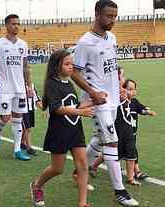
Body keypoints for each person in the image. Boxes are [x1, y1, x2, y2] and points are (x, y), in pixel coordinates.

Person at [71, 0, 138, 205]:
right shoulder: (85, 43)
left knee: (100, 139)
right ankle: (119, 190)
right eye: (109, 16)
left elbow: (112, 66)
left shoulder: (112, 38)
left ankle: (78, 172)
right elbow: (75, 72)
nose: (113, 20)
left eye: (115, 16)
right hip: (97, 101)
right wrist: (93, 93)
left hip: (113, 98)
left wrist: (119, 88)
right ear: (97, 14)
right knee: (112, 141)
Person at [30, 49, 94, 207]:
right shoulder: (52, 84)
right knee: (57, 169)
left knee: (83, 165)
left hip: (75, 130)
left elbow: (74, 105)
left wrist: (95, 101)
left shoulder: (70, 84)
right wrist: (80, 111)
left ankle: (83, 203)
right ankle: (37, 185)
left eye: (72, 64)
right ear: (56, 66)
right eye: (67, 64)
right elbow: (57, 108)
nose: (71, 67)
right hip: (59, 132)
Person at [0, 14, 32, 161]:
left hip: (20, 89)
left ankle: (17, 150)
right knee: (5, 118)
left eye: (18, 23)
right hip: (4, 88)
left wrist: (28, 85)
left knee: (18, 117)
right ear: (7, 26)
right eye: (13, 24)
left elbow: (25, 67)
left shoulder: (23, 45)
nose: (16, 26)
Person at [124, 79, 156, 180]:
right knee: (115, 152)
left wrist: (148, 111)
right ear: (122, 89)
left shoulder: (134, 102)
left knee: (132, 152)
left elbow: (141, 109)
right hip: (122, 134)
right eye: (130, 89)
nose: (133, 91)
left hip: (132, 134)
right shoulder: (121, 103)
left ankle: (137, 172)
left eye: (134, 89)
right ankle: (94, 165)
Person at [21, 83, 42, 156]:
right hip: (23, 109)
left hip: (31, 109)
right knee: (28, 128)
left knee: (25, 128)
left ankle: (22, 142)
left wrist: (44, 108)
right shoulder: (19, 84)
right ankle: (29, 147)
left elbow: (36, 99)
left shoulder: (32, 85)